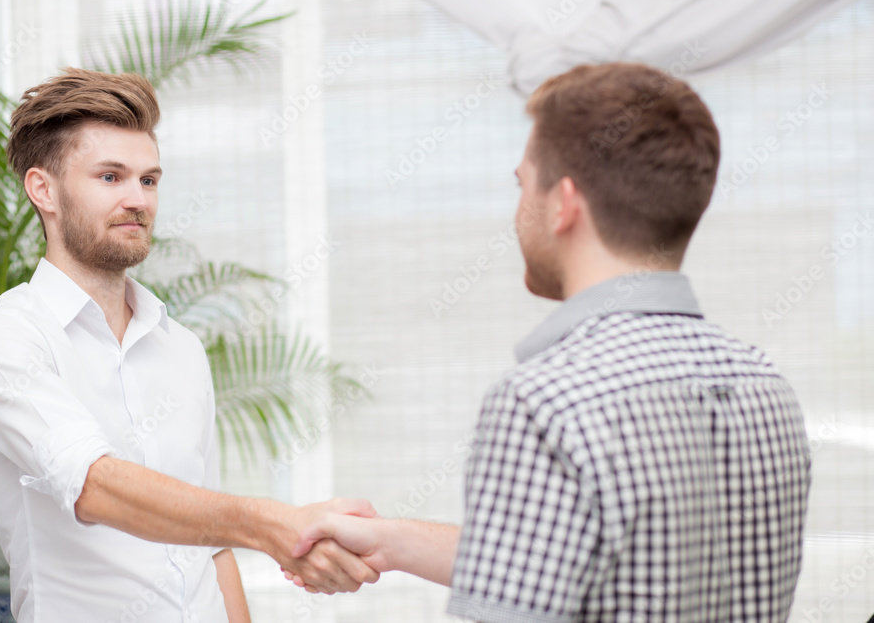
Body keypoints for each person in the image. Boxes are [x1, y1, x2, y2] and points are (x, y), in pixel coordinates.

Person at [289, 63, 812, 622]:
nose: (518, 212)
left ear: (563, 204)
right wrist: (393, 542)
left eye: (522, 185)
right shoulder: (765, 387)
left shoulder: (545, 404)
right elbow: (616, 559)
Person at [0, 68, 378, 623]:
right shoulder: (3, 337)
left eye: (149, 180)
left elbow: (212, 546)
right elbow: (93, 486)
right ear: (44, 190)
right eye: (111, 177)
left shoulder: (181, 346)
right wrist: (273, 525)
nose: (138, 199)